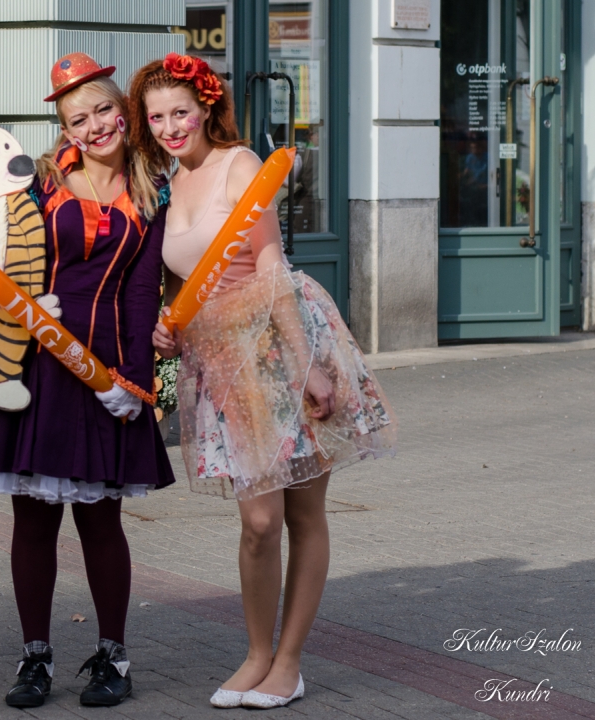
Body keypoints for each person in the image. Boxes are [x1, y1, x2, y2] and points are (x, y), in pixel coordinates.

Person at [130, 54, 397, 709]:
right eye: (157, 117)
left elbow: (270, 265)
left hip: (280, 343)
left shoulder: (240, 164)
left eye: (180, 112)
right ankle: (255, 655)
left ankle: (288, 663)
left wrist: (307, 366)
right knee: (257, 521)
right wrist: (167, 324)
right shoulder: (166, 184)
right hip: (221, 361)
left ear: (205, 109)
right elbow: (183, 280)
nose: (170, 127)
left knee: (301, 514)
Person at [0, 53, 174, 709]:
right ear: (64, 130)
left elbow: (142, 293)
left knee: (101, 522)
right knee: (32, 523)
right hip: (31, 368)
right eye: (78, 119)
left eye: (103, 110)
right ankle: (34, 656)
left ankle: (113, 657)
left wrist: (134, 382)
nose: (95, 127)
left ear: (122, 111)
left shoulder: (153, 190)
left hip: (104, 374)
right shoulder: (38, 181)